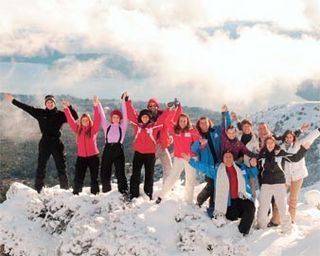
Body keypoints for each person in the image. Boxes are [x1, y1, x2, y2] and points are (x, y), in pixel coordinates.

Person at [4, 93, 78, 193]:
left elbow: (75, 117)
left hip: (57, 143)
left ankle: (64, 189)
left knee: (61, 167)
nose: (50, 104)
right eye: (48, 102)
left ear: (54, 104)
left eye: (52, 102)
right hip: (45, 143)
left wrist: (69, 107)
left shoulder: (61, 115)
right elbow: (26, 108)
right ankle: (39, 189)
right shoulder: (40, 113)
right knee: (41, 166)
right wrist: (13, 101)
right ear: (45, 104)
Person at [186, 150, 258, 236]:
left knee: (250, 207)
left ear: (233, 158)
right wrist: (190, 161)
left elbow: (253, 173)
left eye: (230, 157)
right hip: (228, 202)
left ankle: (242, 232)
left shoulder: (240, 168)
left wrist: (253, 166)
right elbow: (204, 168)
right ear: (223, 159)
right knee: (232, 217)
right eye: (226, 157)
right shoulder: (218, 170)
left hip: (240, 197)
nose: (228, 159)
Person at [257, 136, 310, 233]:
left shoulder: (280, 154)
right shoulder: (261, 155)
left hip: (279, 184)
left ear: (274, 144)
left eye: (272, 143)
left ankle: (287, 229)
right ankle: (261, 228)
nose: (270, 145)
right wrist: (252, 162)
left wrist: (303, 149)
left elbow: (295, 158)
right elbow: (255, 166)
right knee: (263, 208)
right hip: (266, 185)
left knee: (282, 207)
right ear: (265, 144)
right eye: (268, 143)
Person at [156, 107, 201, 205]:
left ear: (187, 121)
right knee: (172, 177)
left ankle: (188, 201)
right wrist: (174, 110)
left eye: (184, 121)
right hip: (178, 158)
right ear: (178, 121)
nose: (182, 122)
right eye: (181, 120)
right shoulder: (175, 130)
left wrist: (194, 152)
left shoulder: (192, 131)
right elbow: (168, 121)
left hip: (190, 158)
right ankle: (161, 196)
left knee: (190, 179)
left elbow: (199, 142)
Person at [126, 98, 166, 200]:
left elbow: (164, 118)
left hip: (150, 154)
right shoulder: (137, 126)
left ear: (149, 118)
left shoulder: (154, 126)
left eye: (146, 116)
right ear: (140, 118)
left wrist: (172, 109)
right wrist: (127, 101)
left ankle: (148, 194)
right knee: (136, 173)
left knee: (149, 174)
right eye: (143, 116)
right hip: (138, 153)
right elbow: (131, 114)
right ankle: (133, 194)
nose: (144, 118)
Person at [191, 105, 231, 208]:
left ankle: (209, 204)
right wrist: (199, 144)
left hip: (219, 163)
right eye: (202, 123)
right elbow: (193, 149)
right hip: (207, 164)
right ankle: (205, 203)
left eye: (206, 122)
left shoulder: (216, 131)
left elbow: (227, 127)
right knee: (212, 185)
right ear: (199, 125)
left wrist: (225, 114)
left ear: (209, 123)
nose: (204, 124)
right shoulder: (198, 136)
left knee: (214, 185)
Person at [280, 127, 320, 223]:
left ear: (293, 138)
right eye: (286, 137)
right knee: (280, 196)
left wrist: (318, 130)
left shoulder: (299, 144)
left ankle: (291, 219)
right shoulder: (281, 148)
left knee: (293, 198)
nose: (288, 139)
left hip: (298, 176)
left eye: (290, 137)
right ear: (284, 138)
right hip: (286, 176)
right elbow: (293, 158)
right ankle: (279, 217)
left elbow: (310, 137)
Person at [63, 96, 101, 195]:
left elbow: (98, 119)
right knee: (79, 177)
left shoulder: (93, 130)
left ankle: (95, 194)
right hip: (81, 158)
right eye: (83, 120)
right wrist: (66, 109)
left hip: (93, 157)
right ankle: (76, 193)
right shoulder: (78, 130)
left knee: (94, 177)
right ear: (81, 121)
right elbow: (71, 121)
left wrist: (96, 106)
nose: (85, 122)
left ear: (89, 121)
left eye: (87, 120)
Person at [98, 92, 128, 194]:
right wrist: (98, 103)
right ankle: (106, 191)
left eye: (117, 117)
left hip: (118, 149)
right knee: (104, 171)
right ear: (111, 118)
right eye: (113, 117)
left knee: (120, 172)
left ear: (120, 119)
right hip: (108, 149)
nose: (115, 118)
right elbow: (102, 116)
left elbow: (125, 113)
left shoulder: (122, 127)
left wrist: (123, 100)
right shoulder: (107, 126)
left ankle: (123, 191)